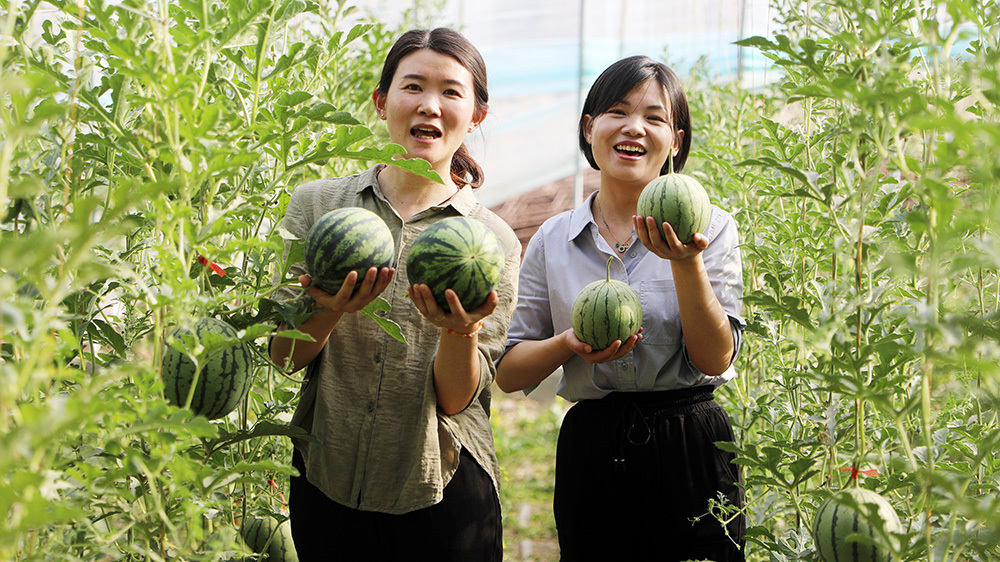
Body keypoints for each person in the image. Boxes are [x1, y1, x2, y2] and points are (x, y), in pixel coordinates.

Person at [269, 28, 520, 561]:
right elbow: (284, 356)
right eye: (413, 87)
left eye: (452, 92)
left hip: (440, 487)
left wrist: (461, 330)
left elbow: (456, 400)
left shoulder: (491, 241)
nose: (430, 105)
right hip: (327, 480)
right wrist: (328, 310)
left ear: (476, 114)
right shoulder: (317, 206)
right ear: (382, 102)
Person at [496, 55, 746, 561]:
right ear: (590, 128)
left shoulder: (712, 229)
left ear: (675, 140)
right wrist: (570, 343)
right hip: (594, 447)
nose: (635, 128)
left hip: (691, 443)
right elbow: (508, 370)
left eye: (654, 118)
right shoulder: (552, 239)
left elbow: (716, 358)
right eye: (617, 111)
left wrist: (687, 263)